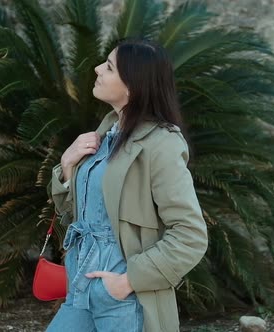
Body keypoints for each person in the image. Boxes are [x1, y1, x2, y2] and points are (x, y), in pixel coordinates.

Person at [46, 38, 208, 332]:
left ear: (133, 86)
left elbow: (191, 235)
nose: (96, 69)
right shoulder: (106, 133)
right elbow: (80, 216)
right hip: (81, 286)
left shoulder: (161, 144)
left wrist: (127, 282)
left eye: (108, 67)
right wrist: (67, 165)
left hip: (122, 298)